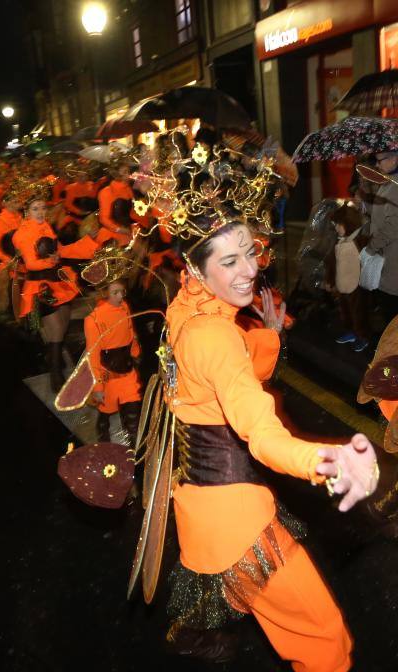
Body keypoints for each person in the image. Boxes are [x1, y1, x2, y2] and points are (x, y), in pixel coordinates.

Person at [164, 218, 377, 670]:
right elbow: (259, 433)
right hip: (235, 520)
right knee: (325, 639)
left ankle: (189, 632)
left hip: (199, 501)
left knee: (241, 592)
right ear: (198, 271)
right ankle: (191, 633)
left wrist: (271, 336)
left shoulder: (186, 306)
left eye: (250, 250)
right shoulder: (215, 336)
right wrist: (325, 459)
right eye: (230, 260)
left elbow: (223, 374)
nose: (250, 268)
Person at [12, 187, 97, 391]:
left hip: (59, 282)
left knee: (63, 324)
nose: (41, 212)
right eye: (35, 209)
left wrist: (88, 244)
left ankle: (53, 359)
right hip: (40, 286)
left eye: (43, 207)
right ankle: (55, 376)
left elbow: (61, 250)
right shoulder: (21, 234)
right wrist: (52, 261)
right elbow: (31, 264)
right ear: (26, 211)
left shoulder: (47, 227)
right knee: (56, 331)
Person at [84, 279, 142, 443]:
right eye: (114, 292)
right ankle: (103, 442)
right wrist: (98, 387)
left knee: (133, 416)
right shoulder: (93, 319)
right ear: (105, 293)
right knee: (105, 415)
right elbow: (93, 354)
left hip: (127, 371)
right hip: (108, 375)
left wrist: (135, 351)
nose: (120, 297)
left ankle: (134, 451)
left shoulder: (125, 307)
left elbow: (130, 330)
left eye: (122, 292)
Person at [328, 204, 370, 351]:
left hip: (357, 285)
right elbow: (333, 263)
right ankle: (351, 331)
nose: (336, 228)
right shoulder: (339, 242)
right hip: (342, 283)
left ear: (348, 224)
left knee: (358, 311)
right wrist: (331, 280)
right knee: (345, 310)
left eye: (339, 225)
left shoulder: (360, 241)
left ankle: (362, 336)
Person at [364, 151, 398, 322]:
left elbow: (393, 226)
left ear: (394, 159)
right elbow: (382, 214)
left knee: (392, 315)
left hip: (393, 261)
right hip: (388, 259)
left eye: (380, 160)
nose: (377, 165)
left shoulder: (395, 186)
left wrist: (371, 248)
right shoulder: (388, 182)